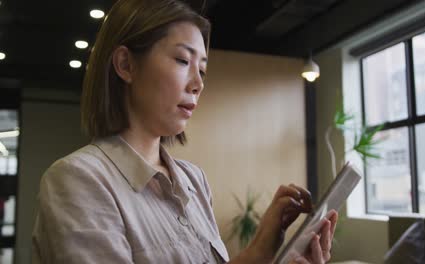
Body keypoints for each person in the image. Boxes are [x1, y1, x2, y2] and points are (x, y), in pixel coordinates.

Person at [32, 0, 338, 263]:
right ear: (126, 64)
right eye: (182, 60)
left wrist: (263, 249)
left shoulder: (194, 180)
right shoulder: (78, 180)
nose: (198, 83)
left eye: (202, 69)